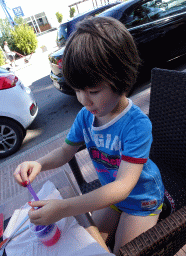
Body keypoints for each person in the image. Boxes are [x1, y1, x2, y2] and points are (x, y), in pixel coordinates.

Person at [13, 17, 164, 254]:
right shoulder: (86, 116)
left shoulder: (136, 125)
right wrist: (38, 163)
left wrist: (63, 208)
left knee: (121, 252)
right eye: (77, 90)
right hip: (111, 197)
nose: (84, 100)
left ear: (121, 79)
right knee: (88, 242)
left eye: (93, 91)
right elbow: (65, 151)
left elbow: (123, 186)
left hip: (141, 200)